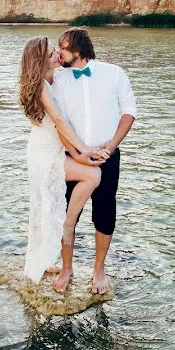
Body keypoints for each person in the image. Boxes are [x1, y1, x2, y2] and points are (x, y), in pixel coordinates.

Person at [18, 36, 109, 292]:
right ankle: (67, 225)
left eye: (55, 50)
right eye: (50, 54)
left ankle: (43, 258)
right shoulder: (42, 87)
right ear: (39, 62)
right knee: (92, 176)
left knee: (42, 207)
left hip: (46, 151)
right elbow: (59, 121)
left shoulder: (50, 81)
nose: (57, 54)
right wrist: (85, 150)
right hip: (45, 155)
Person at [52, 27, 136, 295]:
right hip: (73, 158)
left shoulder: (114, 73)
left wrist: (110, 147)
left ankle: (98, 269)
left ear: (78, 49)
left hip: (108, 156)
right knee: (67, 216)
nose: (59, 52)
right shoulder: (60, 81)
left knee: (105, 213)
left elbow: (129, 112)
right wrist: (80, 153)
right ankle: (67, 268)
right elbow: (61, 124)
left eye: (62, 47)